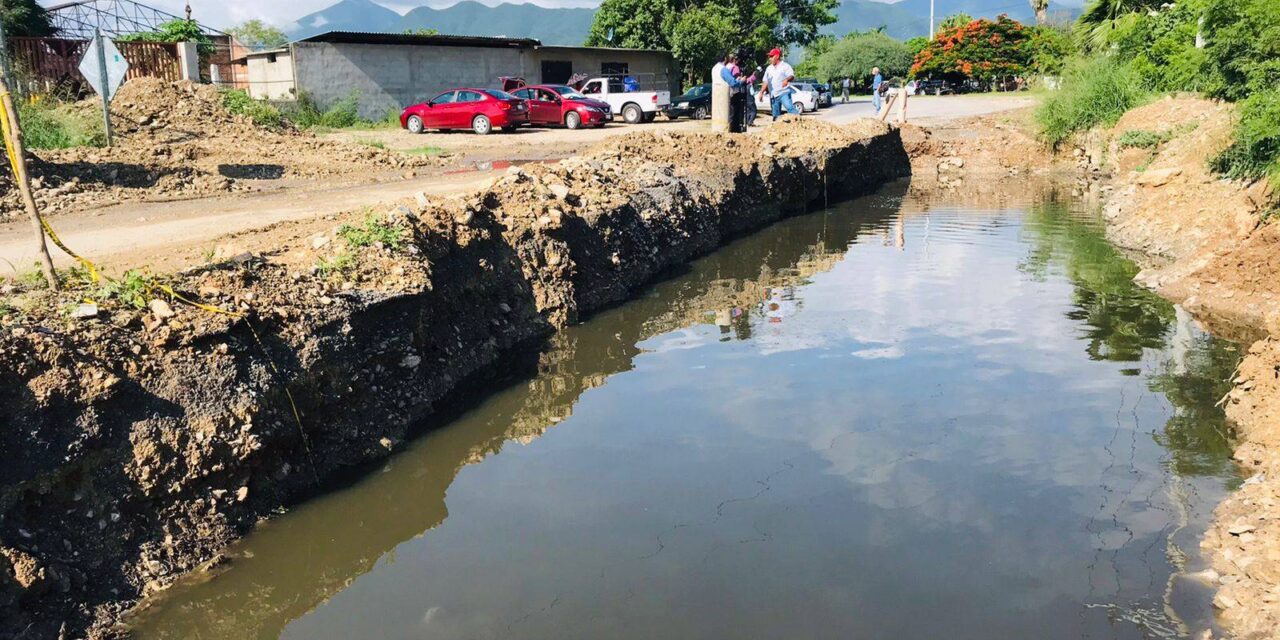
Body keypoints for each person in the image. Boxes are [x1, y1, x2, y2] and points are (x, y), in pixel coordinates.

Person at [759, 47, 799, 121]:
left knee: (790, 108)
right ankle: (777, 130)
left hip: (783, 93)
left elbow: (791, 76)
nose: (770, 58)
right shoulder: (769, 68)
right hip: (773, 95)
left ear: (777, 56)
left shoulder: (785, 66)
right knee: (775, 115)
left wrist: (786, 79)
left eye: (771, 56)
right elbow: (765, 81)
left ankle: (798, 122)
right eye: (769, 56)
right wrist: (761, 92)